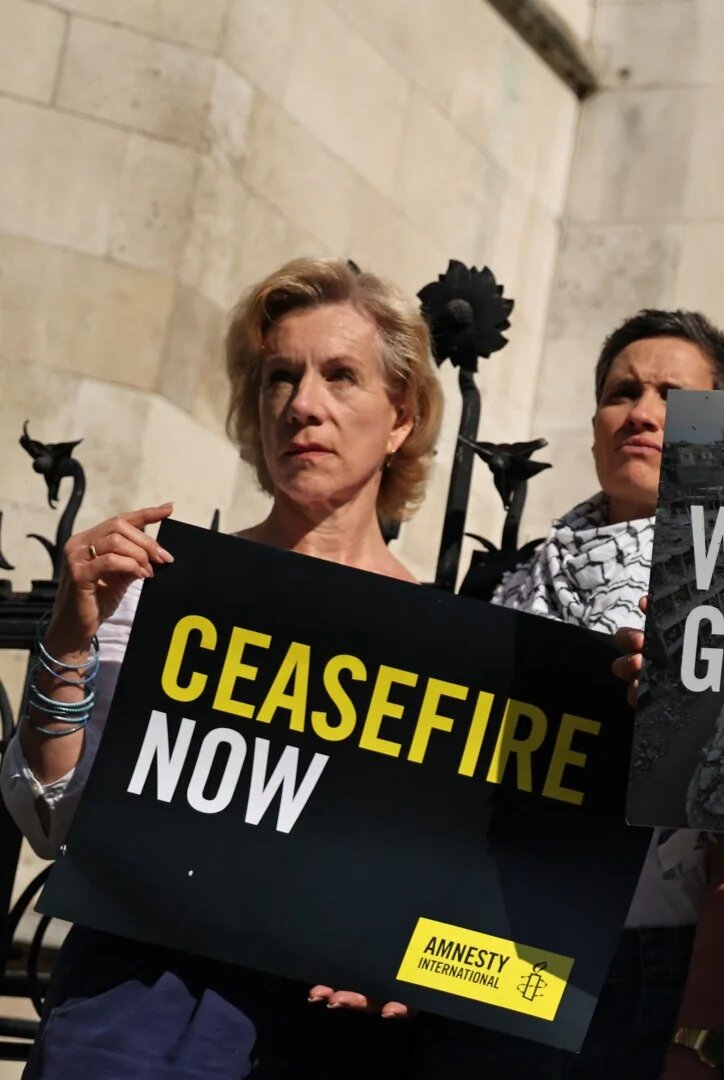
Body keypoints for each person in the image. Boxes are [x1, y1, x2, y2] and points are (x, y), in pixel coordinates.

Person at [5, 256, 441, 1078]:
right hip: (131, 1018)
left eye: (341, 376)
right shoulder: (159, 592)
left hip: (328, 1043)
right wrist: (68, 638)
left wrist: (405, 968)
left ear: (400, 417)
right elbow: (51, 821)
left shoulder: (450, 648)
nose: (303, 404)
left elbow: (457, 905)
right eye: (281, 377)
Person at [406, 309, 724, 1080]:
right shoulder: (514, 583)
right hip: (493, 970)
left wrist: (697, 1043)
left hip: (654, 976)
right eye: (622, 391)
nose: (642, 412)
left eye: (675, 398)